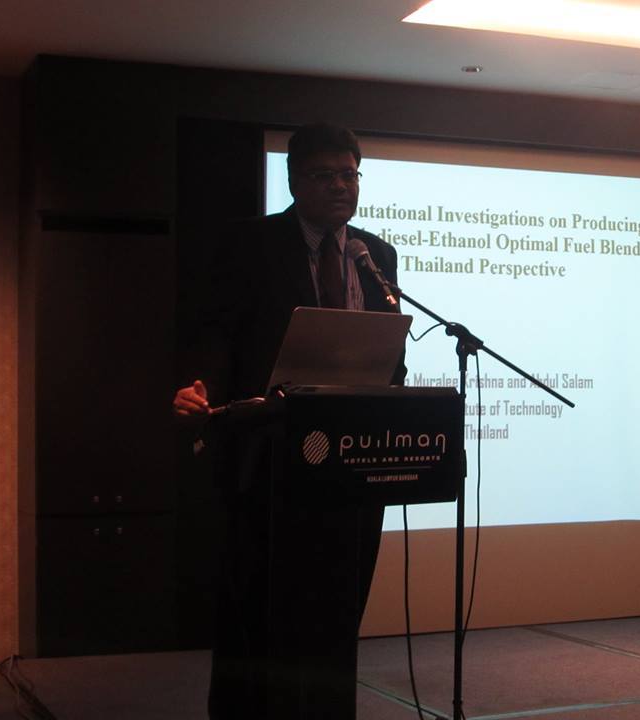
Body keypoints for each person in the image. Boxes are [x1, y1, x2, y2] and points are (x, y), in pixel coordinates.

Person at [173, 123, 405, 719]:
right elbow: (216, 333)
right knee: (258, 615)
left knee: (337, 612)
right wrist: (201, 387)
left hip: (350, 464)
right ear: (294, 181)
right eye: (324, 176)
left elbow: (388, 355)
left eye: (349, 174)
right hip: (269, 463)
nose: (340, 186)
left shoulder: (375, 254)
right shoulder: (250, 244)